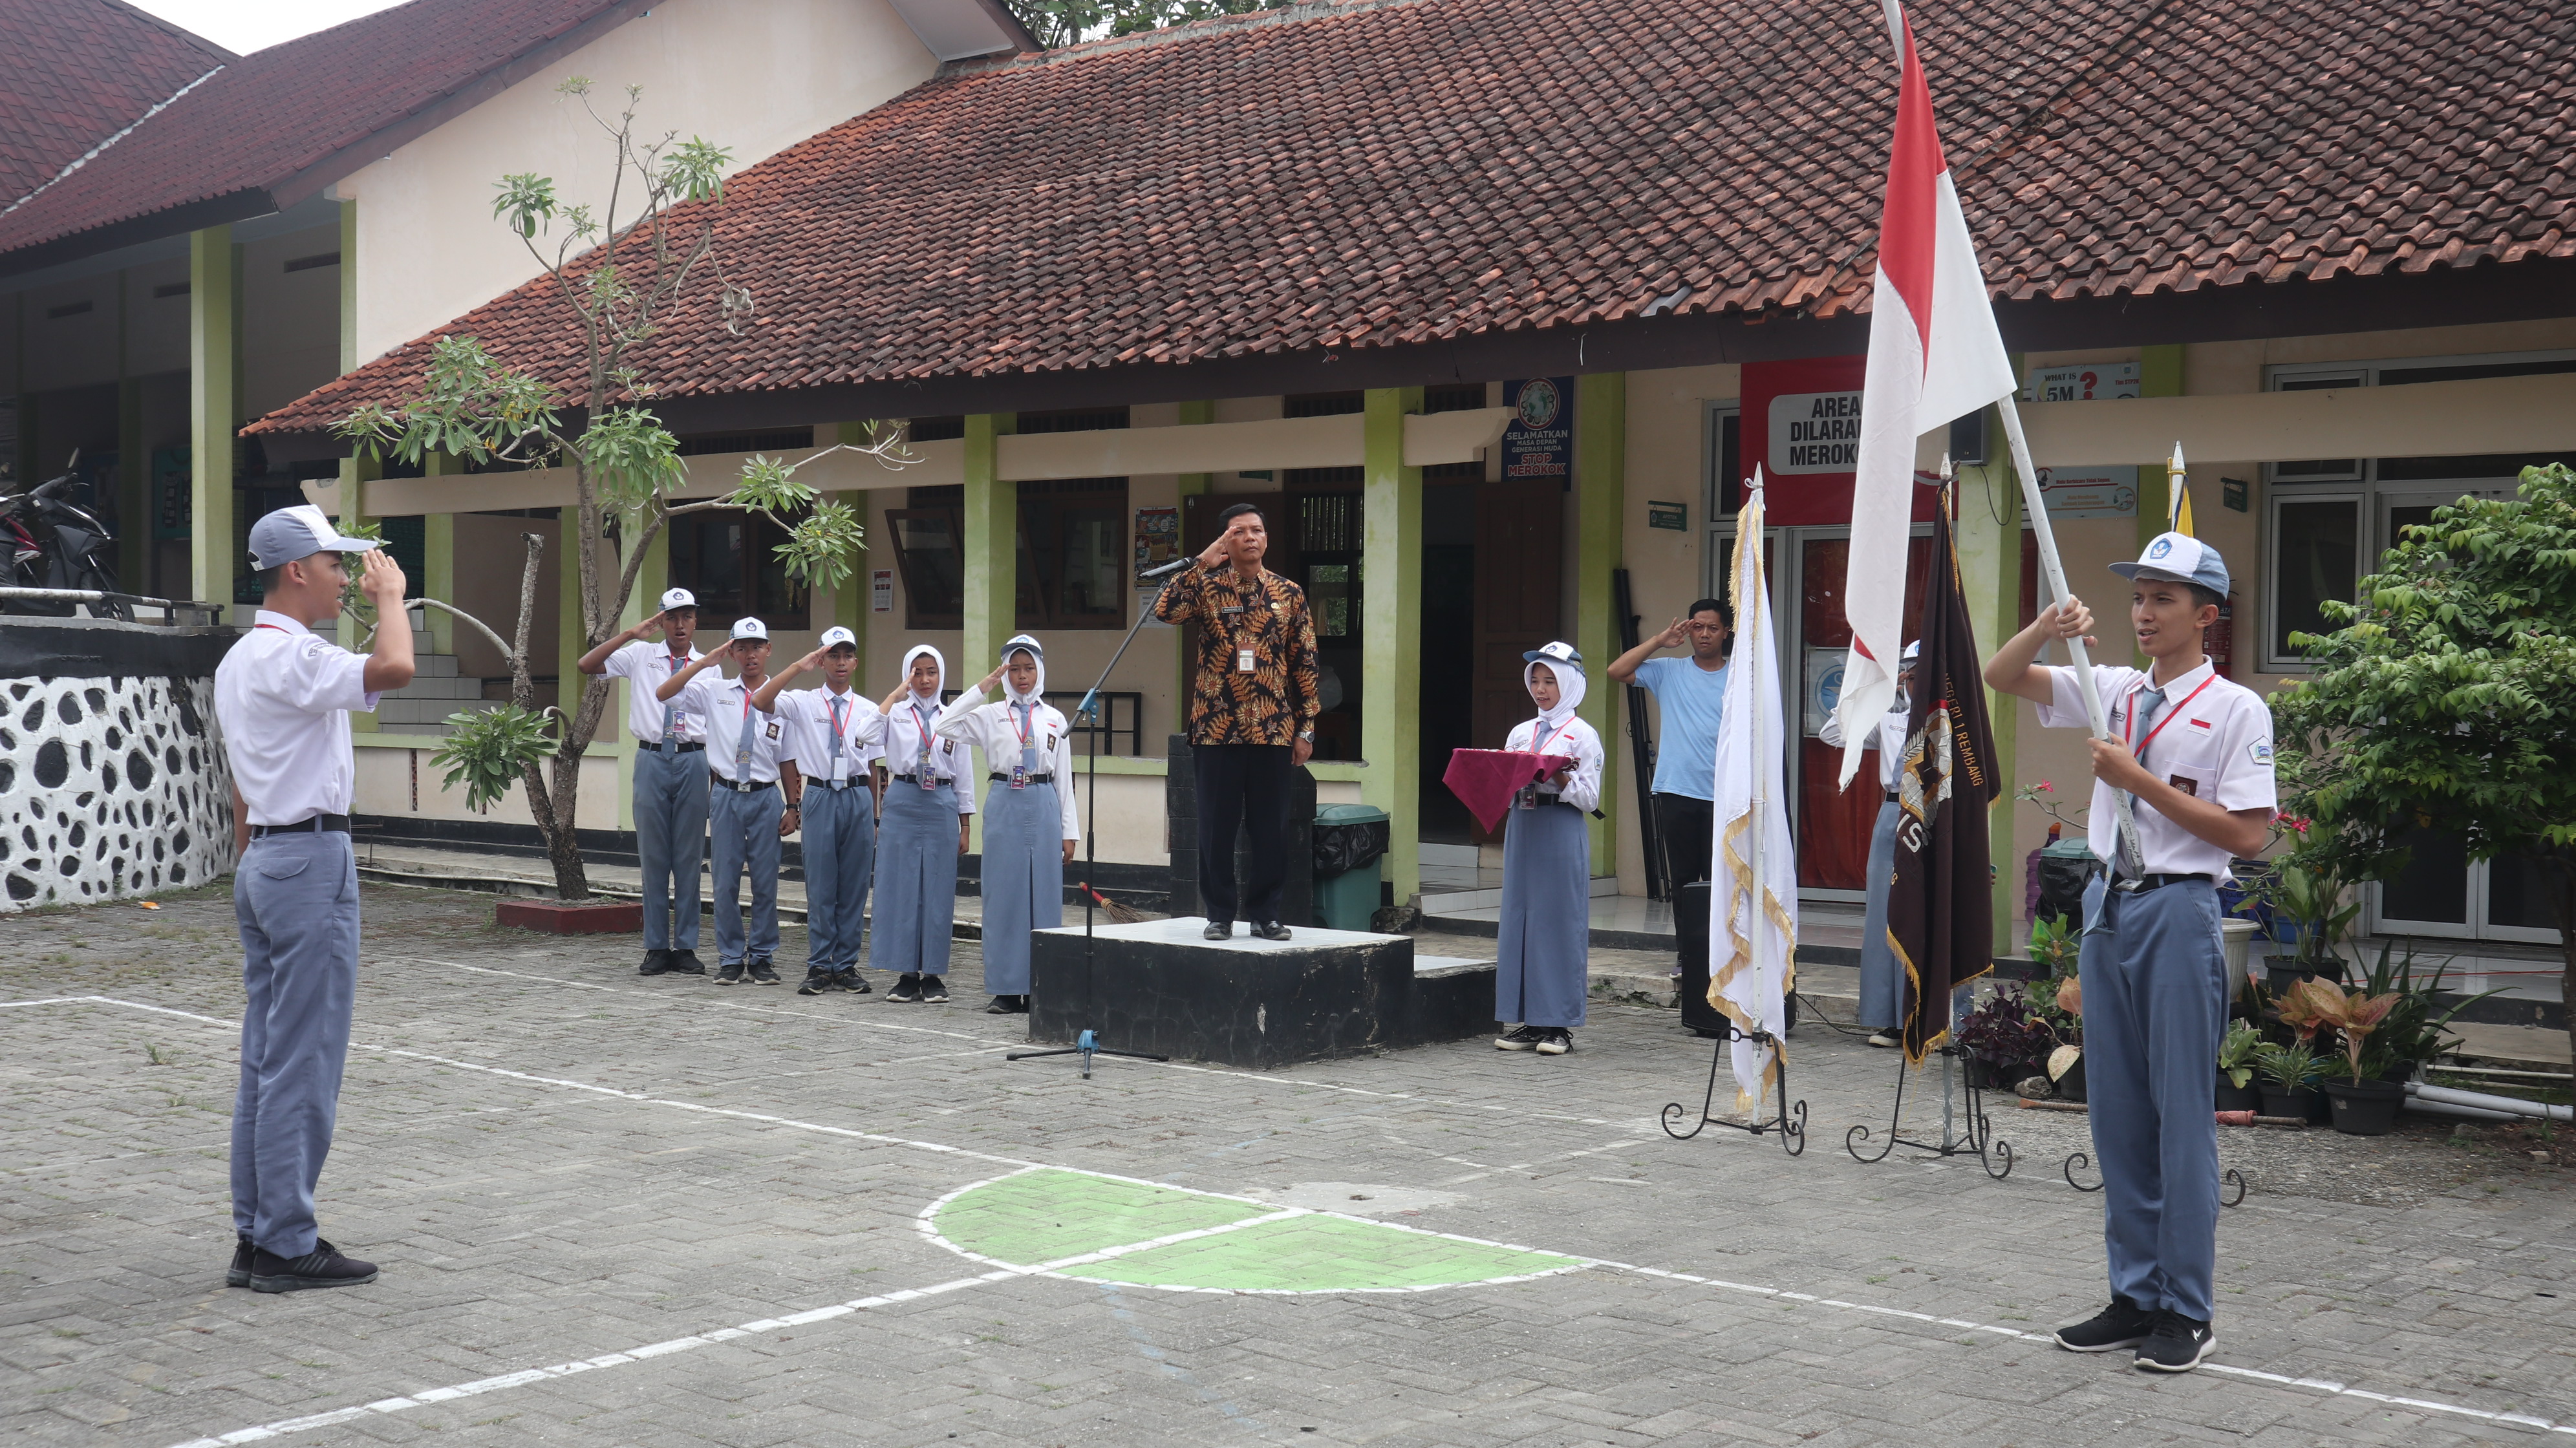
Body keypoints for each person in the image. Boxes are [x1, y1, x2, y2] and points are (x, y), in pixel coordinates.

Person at [1983, 531, 2275, 1376]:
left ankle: (2188, 1309)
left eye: (2164, 600)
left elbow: (2250, 837)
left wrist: (2134, 777)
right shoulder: (2108, 687)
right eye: (2138, 598)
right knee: (2116, 1114)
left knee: (2181, 1120)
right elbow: (2004, 679)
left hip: (2181, 908)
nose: (2143, 615)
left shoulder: (2235, 709)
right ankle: (2135, 1293)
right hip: (2110, 908)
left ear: (2206, 616)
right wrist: (2044, 627)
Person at [215, 504, 415, 1292]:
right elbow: (394, 669)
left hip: (266, 853)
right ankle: (286, 1240)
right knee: (305, 1057)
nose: (347, 577)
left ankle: (256, 1233)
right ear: (296, 570)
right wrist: (393, 598)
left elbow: (239, 782)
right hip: (307, 855)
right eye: (336, 563)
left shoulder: (242, 658)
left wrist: (250, 860)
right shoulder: (294, 655)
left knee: (266, 1056)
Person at [1150, 502, 1320, 941]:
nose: (1250, 537)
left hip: (1273, 729)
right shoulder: (1206, 588)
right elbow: (1164, 611)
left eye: (1257, 530)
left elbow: (1305, 662)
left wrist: (1306, 728)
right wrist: (1202, 561)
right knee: (1215, 829)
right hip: (1217, 728)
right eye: (1239, 532)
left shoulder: (1290, 593)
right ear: (1226, 541)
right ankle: (1220, 914)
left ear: (1266, 539)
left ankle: (1267, 915)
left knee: (1271, 830)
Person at [933, 635, 1079, 1014]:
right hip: (1004, 800)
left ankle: (1040, 986)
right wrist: (982, 688)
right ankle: (1005, 988)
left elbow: (1064, 777)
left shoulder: (1054, 719)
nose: (1021, 676)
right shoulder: (989, 714)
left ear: (1040, 670)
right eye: (1013, 669)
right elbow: (945, 724)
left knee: (1043, 896)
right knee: (1003, 896)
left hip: (1044, 800)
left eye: (1028, 667)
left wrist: (1069, 831)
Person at [577, 588, 708, 976]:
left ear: (696, 621)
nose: (680, 625)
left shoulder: (709, 664)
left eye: (687, 616)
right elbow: (587, 666)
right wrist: (629, 635)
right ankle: (656, 946)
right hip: (652, 757)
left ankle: (685, 946)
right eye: (672, 617)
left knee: (688, 857)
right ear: (661, 621)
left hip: (693, 759)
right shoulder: (641, 655)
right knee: (653, 857)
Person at [753, 626, 885, 997]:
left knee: (855, 885)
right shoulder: (804, 701)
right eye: (832, 655)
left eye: (846, 656)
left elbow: (874, 767)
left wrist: (875, 817)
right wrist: (799, 666)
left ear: (855, 662)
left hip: (858, 796)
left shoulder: (869, 709)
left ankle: (845, 966)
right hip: (820, 795)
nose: (840, 663)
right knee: (821, 883)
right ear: (822, 659)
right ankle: (819, 965)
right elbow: (762, 701)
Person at [660, 619, 786, 986]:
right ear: (731, 652)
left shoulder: (782, 697)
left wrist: (792, 806)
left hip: (766, 797)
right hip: (727, 794)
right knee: (725, 882)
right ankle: (731, 957)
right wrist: (703, 662)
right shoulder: (714, 690)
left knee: (766, 883)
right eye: (742, 648)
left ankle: (762, 956)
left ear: (768, 650)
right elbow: (664, 694)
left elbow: (789, 756)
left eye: (757, 647)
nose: (750, 655)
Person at [1493, 643, 1604, 1057]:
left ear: (1571, 684)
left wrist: (1556, 778)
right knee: (1520, 918)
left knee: (1558, 920)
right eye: (1535, 681)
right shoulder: (1521, 732)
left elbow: (1590, 798)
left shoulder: (1583, 734)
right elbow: (1505, 780)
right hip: (1524, 823)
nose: (1541, 690)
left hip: (1560, 824)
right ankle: (1526, 1019)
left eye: (1550, 681)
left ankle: (1558, 1025)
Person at [1820, 639, 1918, 1049]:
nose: (1914, 681)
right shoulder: (1892, 720)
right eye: (1909, 674)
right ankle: (1891, 1019)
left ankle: (1926, 1018)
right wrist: (1873, 692)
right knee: (1885, 914)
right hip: (1894, 814)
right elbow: (1831, 734)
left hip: (1936, 817)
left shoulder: (1957, 723)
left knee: (1925, 915)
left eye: (1920, 673)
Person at [870, 644, 973, 1003]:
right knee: (901, 887)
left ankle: (932, 975)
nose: (925, 680)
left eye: (931, 672)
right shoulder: (895, 714)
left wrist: (966, 824)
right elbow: (864, 736)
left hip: (941, 801)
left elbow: (965, 775)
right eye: (917, 672)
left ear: (941, 675)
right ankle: (905, 974)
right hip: (902, 798)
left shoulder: (952, 716)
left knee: (938, 889)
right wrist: (896, 693)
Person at [1606, 599, 1732, 886]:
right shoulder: (1668, 670)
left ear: (1726, 632)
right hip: (1677, 790)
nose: (1704, 634)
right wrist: (1658, 641)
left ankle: (1716, 935)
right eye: (1697, 627)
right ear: (1688, 631)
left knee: (1721, 882)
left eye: (1713, 628)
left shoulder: (1739, 675)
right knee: (1683, 879)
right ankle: (1686, 935)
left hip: (1724, 792)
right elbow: (1616, 671)